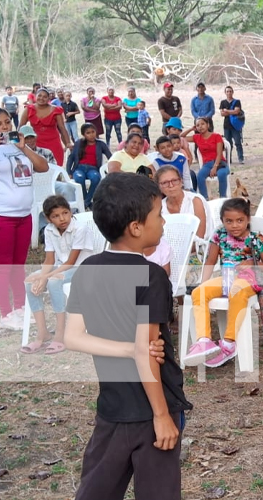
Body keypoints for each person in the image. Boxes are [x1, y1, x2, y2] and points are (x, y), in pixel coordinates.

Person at [64, 172, 192, 500]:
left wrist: (128, 350)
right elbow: (145, 351)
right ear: (136, 227)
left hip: (112, 407)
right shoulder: (151, 276)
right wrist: (162, 416)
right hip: (153, 411)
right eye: (158, 214)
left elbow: (73, 338)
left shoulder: (87, 270)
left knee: (95, 491)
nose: (164, 221)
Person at [184, 198, 263, 368]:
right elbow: (210, 262)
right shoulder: (219, 236)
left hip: (249, 280)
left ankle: (229, 342)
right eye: (229, 221)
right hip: (226, 277)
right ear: (222, 221)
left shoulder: (256, 238)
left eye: (239, 220)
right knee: (199, 293)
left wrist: (252, 263)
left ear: (247, 219)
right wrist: (203, 283)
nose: (234, 225)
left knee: (236, 291)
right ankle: (204, 341)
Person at [22, 196, 94, 354]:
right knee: (29, 281)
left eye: (65, 213)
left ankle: (60, 334)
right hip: (60, 267)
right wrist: (40, 276)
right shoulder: (49, 230)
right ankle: (43, 333)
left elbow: (71, 261)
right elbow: (49, 259)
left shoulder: (79, 228)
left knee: (54, 281)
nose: (62, 218)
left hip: (82, 268)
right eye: (55, 216)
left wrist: (45, 277)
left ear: (70, 212)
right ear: (48, 219)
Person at [0, 109, 50, 329]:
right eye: (0, 123)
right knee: (4, 265)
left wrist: (24, 148)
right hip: (4, 215)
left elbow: (43, 166)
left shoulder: (19, 147)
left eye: (6, 122)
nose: (4, 126)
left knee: (18, 264)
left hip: (24, 215)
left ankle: (19, 307)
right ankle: (4, 312)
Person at [19, 88, 72, 167]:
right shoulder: (28, 109)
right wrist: (16, 142)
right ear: (35, 96)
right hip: (35, 143)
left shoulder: (56, 110)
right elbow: (20, 127)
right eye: (39, 96)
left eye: (45, 97)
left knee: (55, 167)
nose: (41, 98)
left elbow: (62, 128)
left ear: (48, 98)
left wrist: (68, 143)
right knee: (36, 168)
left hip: (53, 143)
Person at [156, 167, 210, 241]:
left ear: (181, 182)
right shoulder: (159, 207)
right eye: (165, 183)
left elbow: (200, 238)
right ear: (159, 187)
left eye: (174, 180)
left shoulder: (195, 201)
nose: (171, 185)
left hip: (199, 249)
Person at [66, 123, 112, 208]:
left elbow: (111, 157)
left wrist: (110, 168)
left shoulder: (100, 144)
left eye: (93, 132)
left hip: (93, 169)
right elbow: (71, 158)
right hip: (79, 168)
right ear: (84, 134)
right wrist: (68, 172)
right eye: (88, 133)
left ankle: (85, 203)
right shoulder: (79, 143)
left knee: (96, 178)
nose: (91, 135)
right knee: (80, 178)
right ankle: (87, 202)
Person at [181, 118, 228, 200]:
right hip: (207, 164)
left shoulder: (216, 136)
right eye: (197, 125)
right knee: (200, 176)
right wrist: (191, 129)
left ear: (208, 125)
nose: (200, 127)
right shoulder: (196, 137)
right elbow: (180, 137)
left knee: (222, 174)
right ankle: (205, 199)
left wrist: (215, 167)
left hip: (219, 163)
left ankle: (223, 198)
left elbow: (219, 153)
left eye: (202, 124)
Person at [218, 86, 245, 164]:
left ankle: (241, 158)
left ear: (232, 92)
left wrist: (227, 111)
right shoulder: (223, 102)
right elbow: (222, 114)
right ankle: (228, 159)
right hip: (226, 125)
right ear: (225, 93)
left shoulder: (237, 101)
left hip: (235, 126)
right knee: (228, 144)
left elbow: (237, 111)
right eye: (227, 91)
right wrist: (231, 111)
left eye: (230, 91)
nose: (229, 93)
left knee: (238, 142)